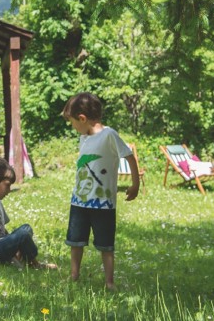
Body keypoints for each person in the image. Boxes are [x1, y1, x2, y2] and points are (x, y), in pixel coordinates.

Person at [62, 92, 140, 290]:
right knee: (76, 241)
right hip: (79, 201)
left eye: (72, 122)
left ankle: (109, 282)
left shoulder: (109, 135)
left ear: (82, 118)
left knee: (106, 244)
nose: (73, 127)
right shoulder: (84, 138)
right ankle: (74, 274)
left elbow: (129, 156)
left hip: (103, 204)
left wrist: (135, 183)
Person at [0, 156, 57, 270]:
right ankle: (34, 264)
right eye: (7, 185)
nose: (9, 190)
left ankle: (15, 257)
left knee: (26, 229)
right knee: (23, 236)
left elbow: (2, 230)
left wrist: (13, 245)